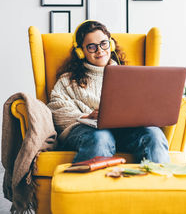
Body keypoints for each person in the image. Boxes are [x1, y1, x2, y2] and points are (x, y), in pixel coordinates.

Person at [47, 20, 170, 164]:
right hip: (87, 131)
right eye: (92, 47)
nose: (99, 50)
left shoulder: (130, 75)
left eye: (103, 43)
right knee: (102, 137)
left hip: (126, 131)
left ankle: (157, 184)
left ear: (110, 44)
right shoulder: (67, 80)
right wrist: (87, 116)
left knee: (154, 134)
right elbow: (55, 108)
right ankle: (89, 185)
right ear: (81, 52)